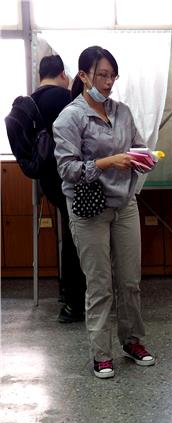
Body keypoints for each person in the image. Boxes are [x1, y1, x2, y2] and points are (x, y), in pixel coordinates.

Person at [53, 46, 157, 379]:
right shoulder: (70, 117)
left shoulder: (123, 112)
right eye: (102, 75)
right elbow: (67, 169)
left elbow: (137, 145)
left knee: (130, 281)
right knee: (99, 284)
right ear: (83, 76)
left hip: (125, 203)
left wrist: (145, 156)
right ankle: (101, 353)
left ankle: (133, 341)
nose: (109, 82)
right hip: (88, 209)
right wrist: (109, 162)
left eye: (113, 76)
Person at [32, 55, 87, 323]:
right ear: (63, 74)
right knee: (78, 237)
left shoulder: (32, 101)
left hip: (47, 180)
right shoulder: (64, 100)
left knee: (70, 234)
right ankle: (75, 302)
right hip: (69, 177)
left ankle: (67, 293)